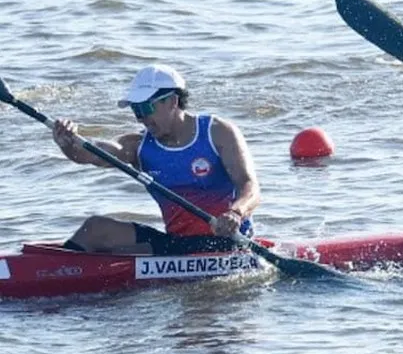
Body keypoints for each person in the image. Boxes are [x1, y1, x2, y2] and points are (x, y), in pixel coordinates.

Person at [51, 64, 260, 254]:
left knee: (123, 253)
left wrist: (235, 213)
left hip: (227, 241)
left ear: (172, 101)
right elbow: (93, 154)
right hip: (176, 242)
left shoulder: (218, 132)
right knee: (94, 229)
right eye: (136, 110)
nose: (141, 118)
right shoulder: (138, 145)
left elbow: (249, 186)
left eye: (145, 108)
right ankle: (57, 272)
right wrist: (67, 143)